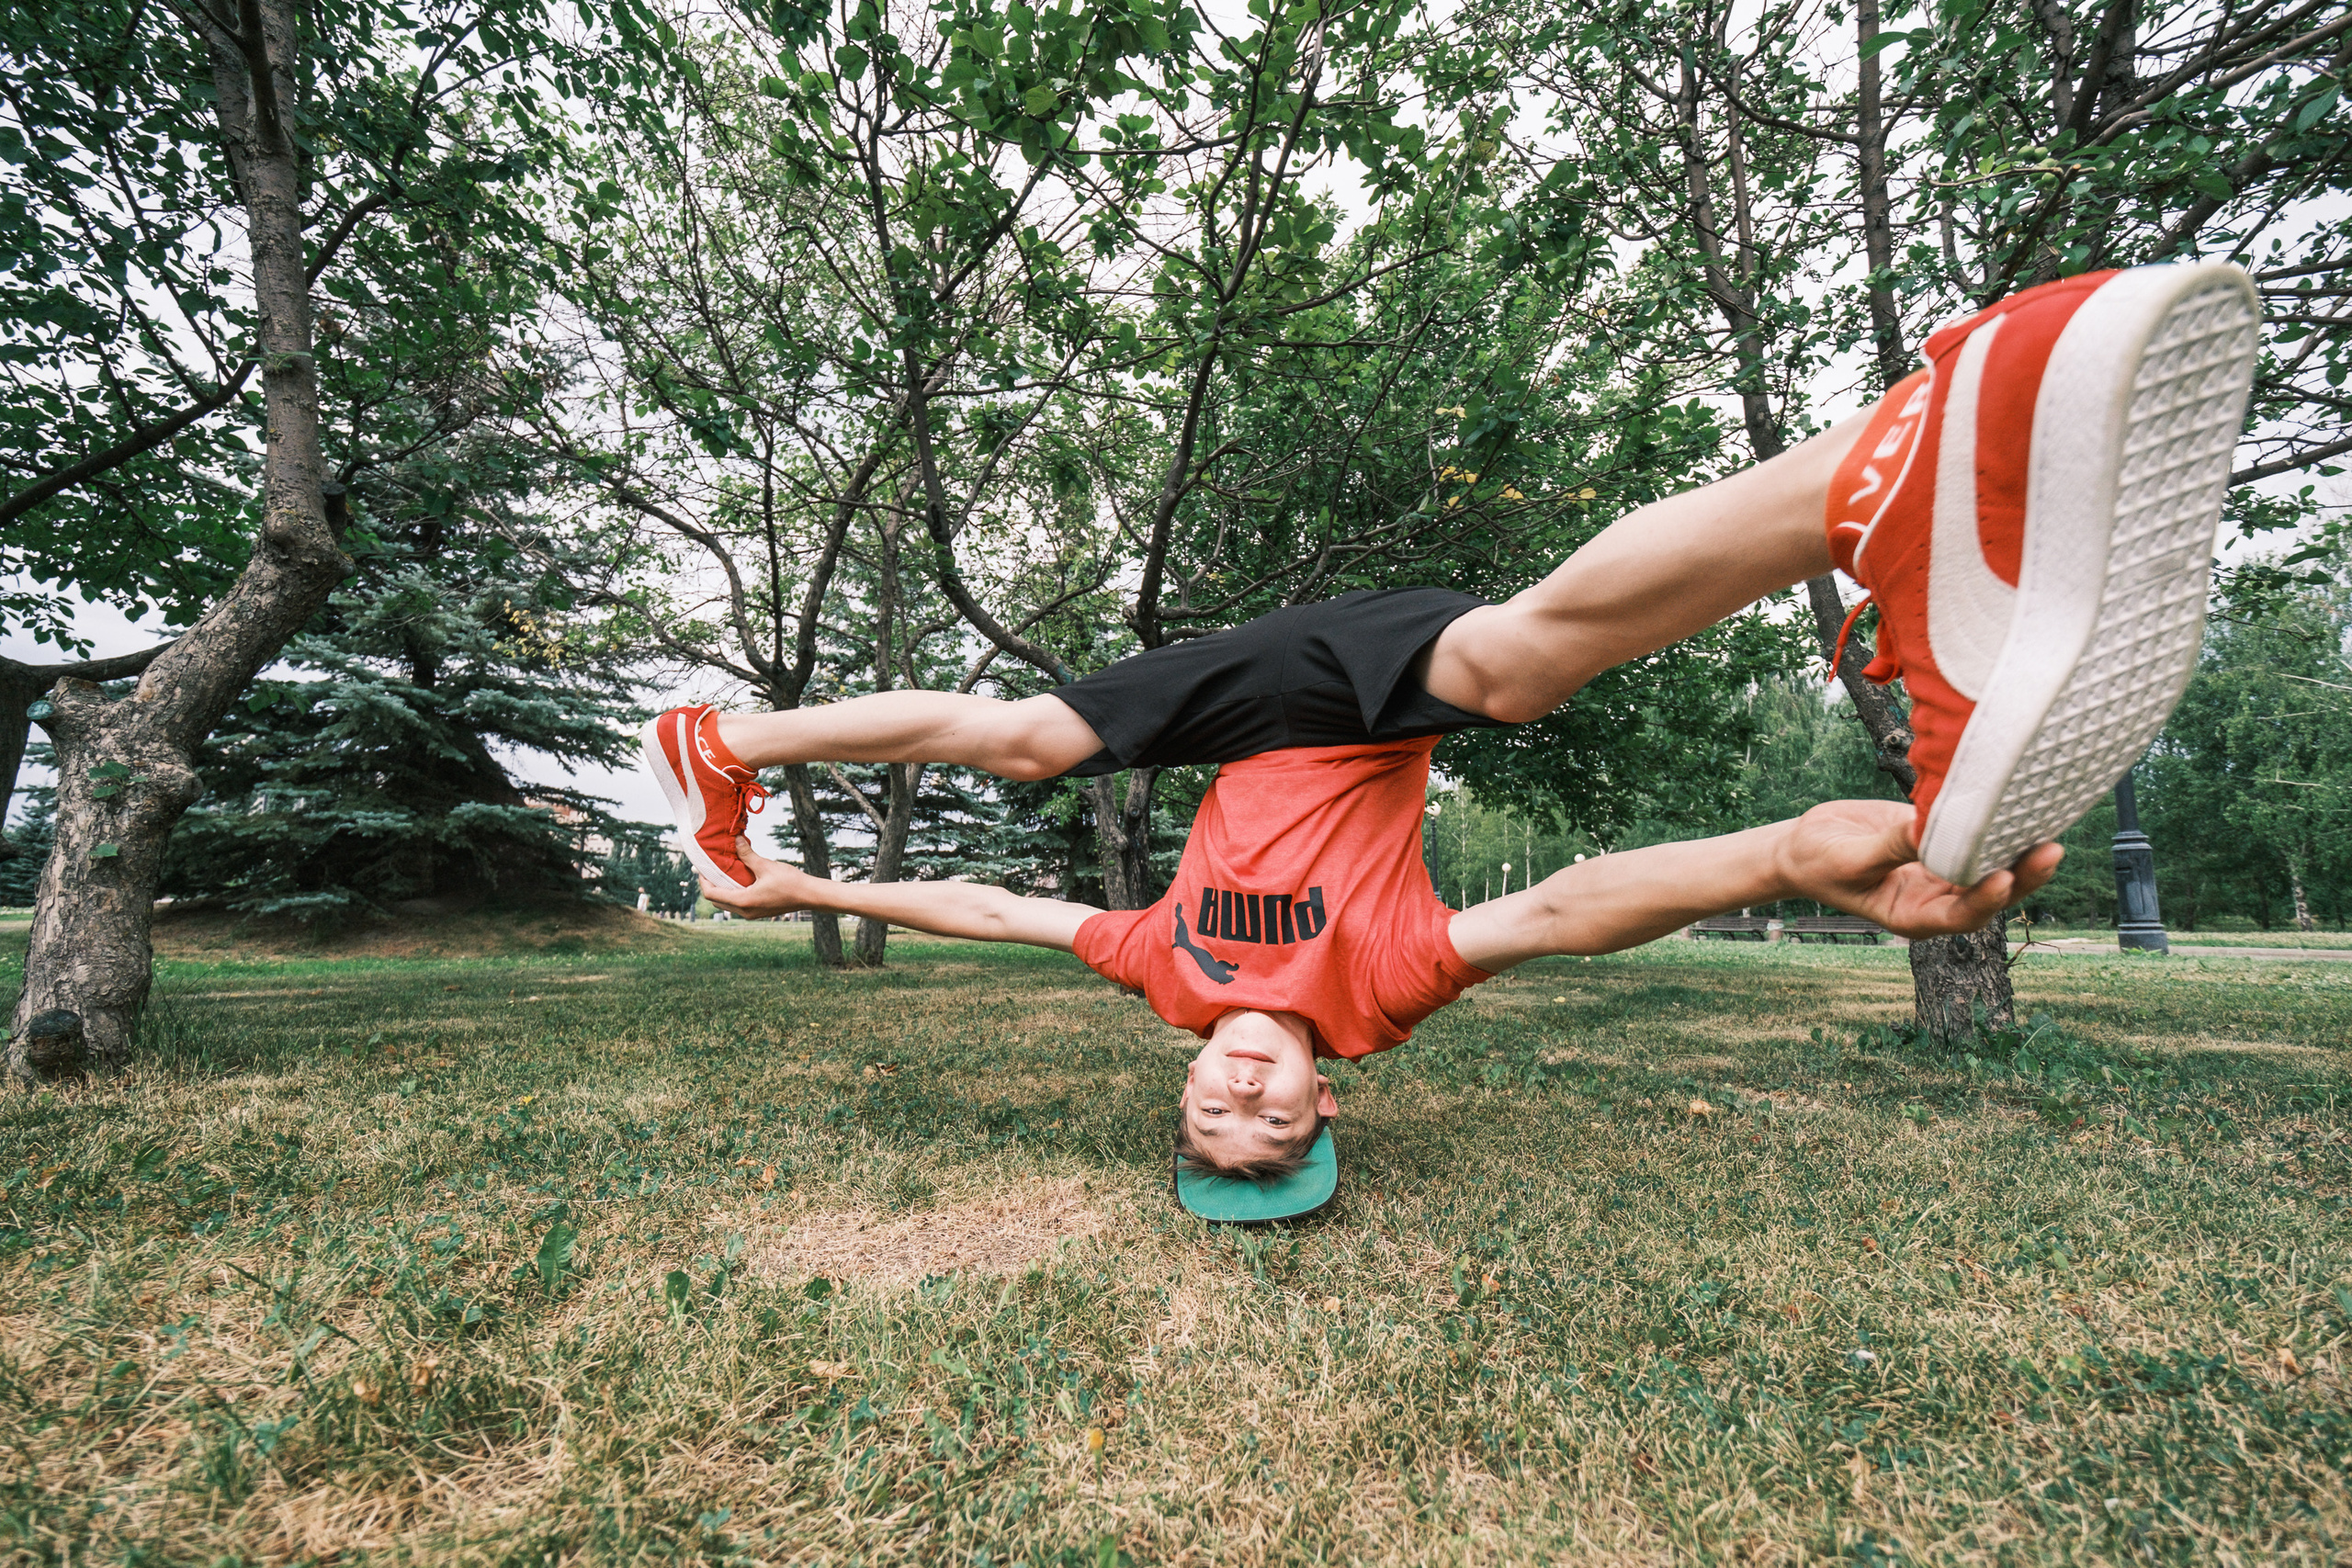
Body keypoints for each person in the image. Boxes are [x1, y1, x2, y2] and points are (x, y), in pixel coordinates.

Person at [644, 264, 2260, 1221]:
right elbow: (1566, 906)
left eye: (1215, 1120)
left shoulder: (1164, 971)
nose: (1247, 1105)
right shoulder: (1378, 993)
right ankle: (1916, 449)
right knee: (1499, 669)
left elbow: (992, 910)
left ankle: (728, 735)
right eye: (1275, 1125)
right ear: (1324, 1107)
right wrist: (1787, 858)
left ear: (1194, 1083)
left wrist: (793, 893)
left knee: (1021, 742)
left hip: (1250, 703)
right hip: (1342, 703)